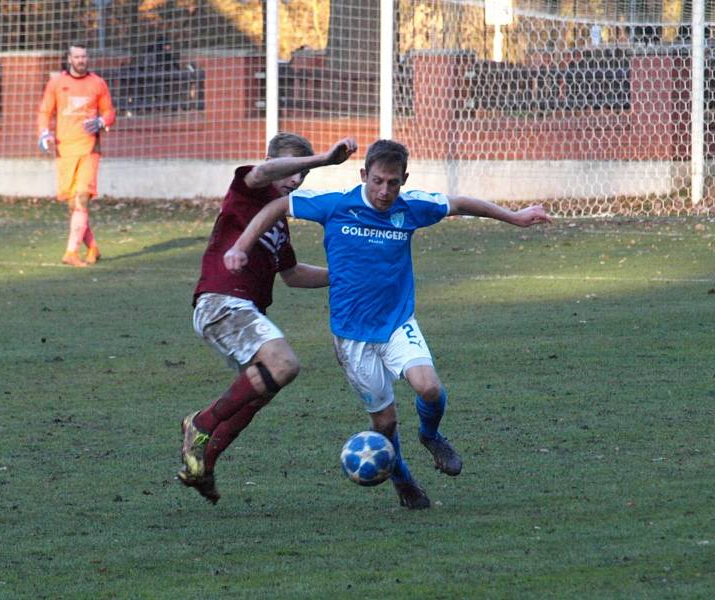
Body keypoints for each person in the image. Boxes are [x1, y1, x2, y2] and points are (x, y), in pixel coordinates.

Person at [224, 139, 552, 509]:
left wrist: (516, 216)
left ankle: (431, 435)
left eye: (393, 183)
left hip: (397, 321)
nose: (384, 191)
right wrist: (241, 246)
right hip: (351, 336)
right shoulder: (336, 204)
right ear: (364, 175)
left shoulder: (411, 208)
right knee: (385, 424)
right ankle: (404, 482)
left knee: (428, 388)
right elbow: (278, 205)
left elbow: (459, 203)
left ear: (404, 179)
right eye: (377, 181)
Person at [179, 133, 358, 504]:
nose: (296, 180)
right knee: (283, 363)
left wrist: (347, 275)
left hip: (244, 312)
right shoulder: (248, 191)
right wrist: (322, 160)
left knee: (259, 393)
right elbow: (263, 172)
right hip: (222, 301)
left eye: (302, 176)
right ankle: (200, 424)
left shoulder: (277, 223)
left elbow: (292, 275)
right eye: (292, 170)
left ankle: (204, 466)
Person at [37, 43, 116, 267]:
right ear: (69, 59)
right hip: (64, 150)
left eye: (84, 56)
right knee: (74, 206)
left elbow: (109, 112)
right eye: (77, 56)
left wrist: (101, 121)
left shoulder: (97, 83)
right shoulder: (57, 83)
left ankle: (71, 252)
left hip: (89, 149)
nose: (81, 60)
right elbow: (45, 111)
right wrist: (44, 133)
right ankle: (92, 247)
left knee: (82, 199)